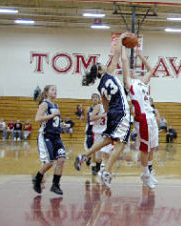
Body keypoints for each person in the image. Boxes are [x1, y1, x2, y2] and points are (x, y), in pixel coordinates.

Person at [74, 32, 131, 188]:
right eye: (101, 65)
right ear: (100, 71)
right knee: (122, 143)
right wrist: (121, 38)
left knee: (108, 140)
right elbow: (117, 54)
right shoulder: (110, 73)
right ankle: (106, 171)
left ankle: (84, 156)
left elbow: (105, 106)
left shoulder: (100, 87)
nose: (104, 64)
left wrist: (110, 112)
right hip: (122, 112)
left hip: (113, 112)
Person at [121, 46, 158, 189]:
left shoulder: (142, 82)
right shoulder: (129, 83)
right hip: (142, 119)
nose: (131, 70)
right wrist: (123, 47)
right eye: (129, 71)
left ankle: (149, 172)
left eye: (133, 70)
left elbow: (151, 70)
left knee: (153, 147)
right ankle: (145, 175)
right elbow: (124, 61)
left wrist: (140, 55)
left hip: (151, 116)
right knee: (145, 149)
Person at [32, 85, 66, 195]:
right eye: (52, 89)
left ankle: (55, 185)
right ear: (46, 93)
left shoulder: (56, 105)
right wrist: (52, 115)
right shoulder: (44, 104)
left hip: (57, 136)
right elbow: (37, 119)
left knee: (61, 160)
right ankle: (37, 179)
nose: (55, 91)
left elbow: (53, 121)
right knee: (50, 163)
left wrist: (61, 125)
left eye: (56, 90)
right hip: (46, 136)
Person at [84, 93, 113, 175]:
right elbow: (91, 118)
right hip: (97, 133)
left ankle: (106, 172)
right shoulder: (98, 107)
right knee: (98, 155)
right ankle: (95, 165)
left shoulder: (110, 107)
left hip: (106, 133)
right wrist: (102, 116)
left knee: (108, 153)